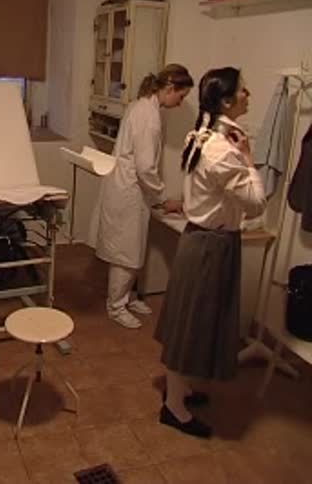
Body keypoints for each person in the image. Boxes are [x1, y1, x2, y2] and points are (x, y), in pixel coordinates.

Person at [154, 67, 267, 438]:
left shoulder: (203, 135)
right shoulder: (223, 151)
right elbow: (256, 204)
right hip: (209, 247)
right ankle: (174, 408)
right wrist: (248, 158)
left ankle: (180, 390)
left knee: (192, 323)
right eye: (244, 90)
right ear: (227, 101)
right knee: (191, 327)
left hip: (201, 240)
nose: (249, 95)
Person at [95, 64, 194, 329]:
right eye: (181, 96)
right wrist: (163, 198)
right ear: (170, 88)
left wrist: (157, 196)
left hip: (129, 188)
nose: (179, 103)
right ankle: (116, 306)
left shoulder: (142, 106)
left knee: (132, 248)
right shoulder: (148, 116)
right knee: (126, 252)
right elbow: (145, 167)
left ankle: (127, 297)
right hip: (129, 190)